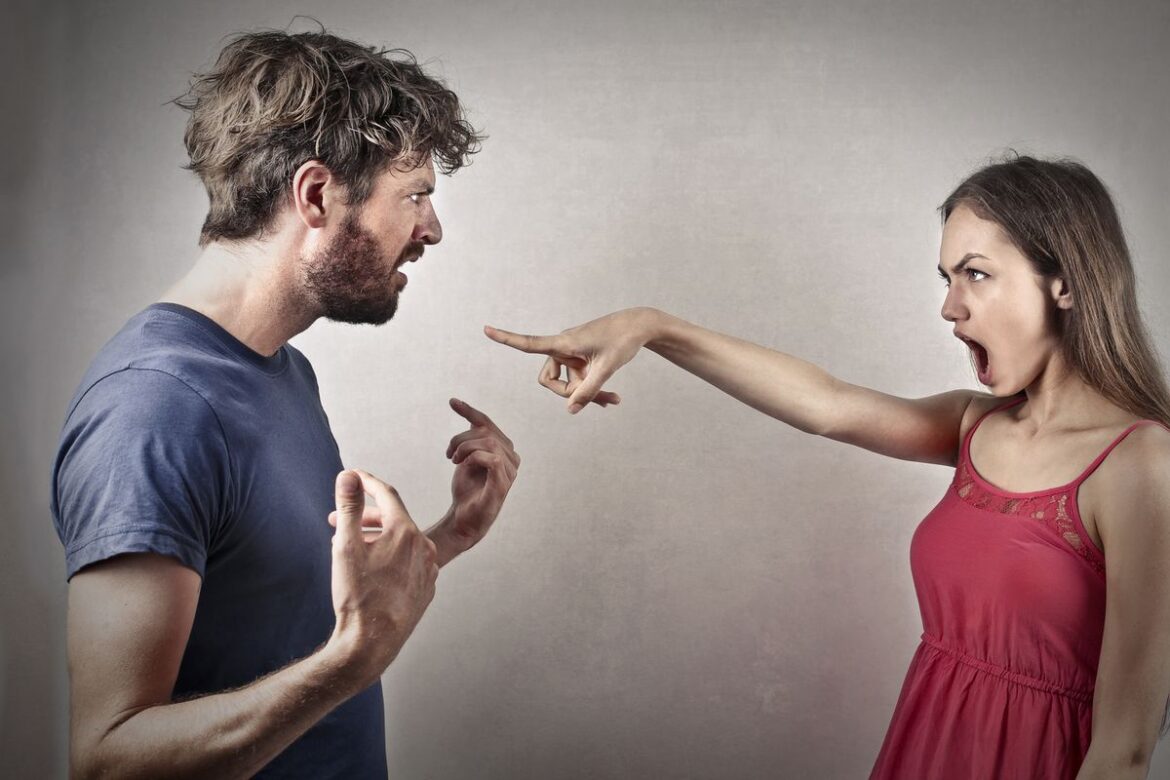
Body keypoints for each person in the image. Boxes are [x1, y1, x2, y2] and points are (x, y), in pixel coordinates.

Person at [486, 155, 1170, 779]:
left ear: (1065, 284)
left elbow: (1123, 751)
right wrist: (651, 326)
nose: (949, 306)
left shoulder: (1140, 463)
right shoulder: (976, 425)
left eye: (977, 274)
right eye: (947, 278)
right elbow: (827, 405)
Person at [50, 29, 520, 778]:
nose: (431, 229)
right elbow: (107, 758)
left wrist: (446, 539)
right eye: (416, 195)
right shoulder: (155, 409)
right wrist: (355, 659)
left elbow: (283, 619)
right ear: (315, 195)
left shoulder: (282, 369)